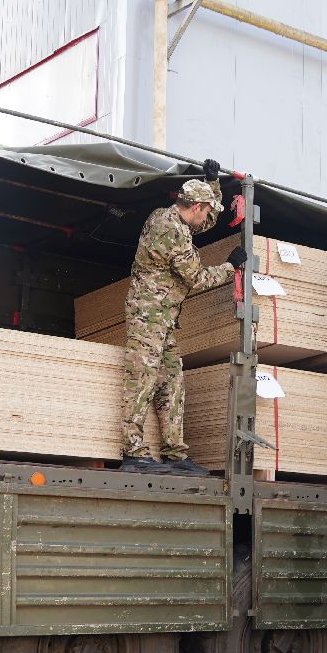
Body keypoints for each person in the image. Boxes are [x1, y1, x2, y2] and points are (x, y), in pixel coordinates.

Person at [120, 161, 246, 476]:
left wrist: (212, 182)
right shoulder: (169, 229)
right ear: (196, 206)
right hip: (148, 316)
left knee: (172, 383)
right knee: (142, 380)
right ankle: (133, 452)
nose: (207, 219)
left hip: (164, 318)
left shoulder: (180, 219)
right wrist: (231, 267)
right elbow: (197, 279)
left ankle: (175, 454)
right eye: (207, 210)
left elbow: (206, 223)